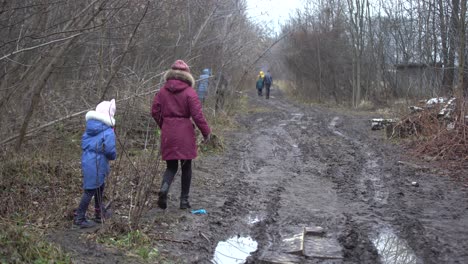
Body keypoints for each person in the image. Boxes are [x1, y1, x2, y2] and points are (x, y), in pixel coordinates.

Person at [151, 60, 211, 210]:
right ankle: (184, 201)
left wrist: (164, 125)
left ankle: (164, 189)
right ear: (187, 75)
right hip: (185, 132)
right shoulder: (190, 92)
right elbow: (197, 115)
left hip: (168, 132)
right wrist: (206, 132)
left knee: (171, 166)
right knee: (186, 166)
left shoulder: (162, 91)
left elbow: (154, 111)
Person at [74, 99, 117, 228]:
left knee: (99, 187)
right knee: (90, 190)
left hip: (87, 159)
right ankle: (79, 217)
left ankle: (99, 213)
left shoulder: (90, 128)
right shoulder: (108, 131)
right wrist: (112, 156)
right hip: (98, 162)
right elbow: (110, 150)